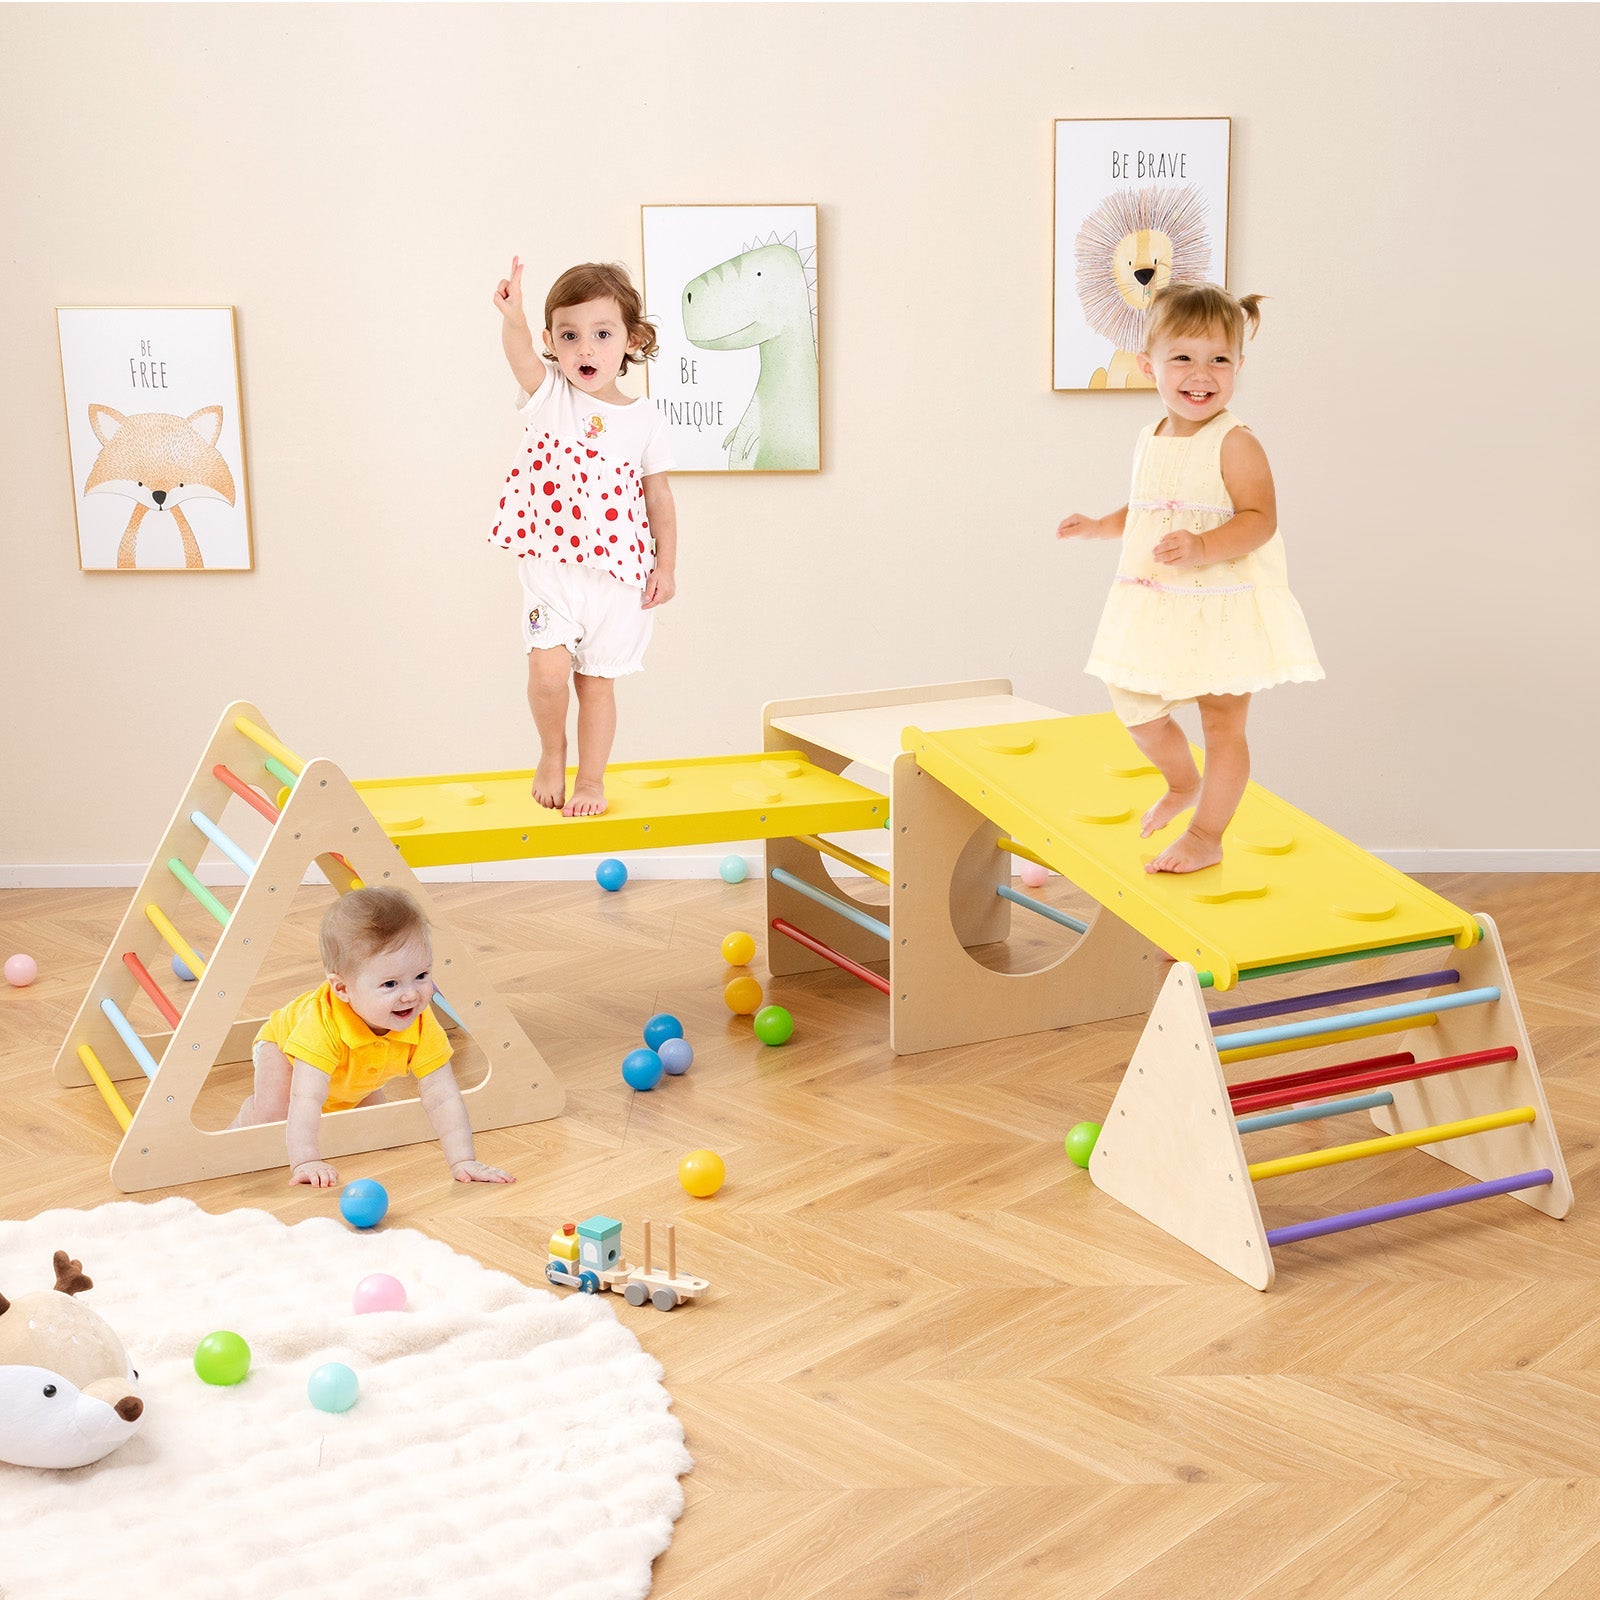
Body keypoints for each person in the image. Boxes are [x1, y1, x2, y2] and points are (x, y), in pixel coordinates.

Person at [1057, 282, 1322, 875]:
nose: (1201, 374)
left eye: (1218, 359)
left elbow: (1260, 519)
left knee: (1222, 723)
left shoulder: (1235, 442)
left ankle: (1206, 835)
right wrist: (1101, 526)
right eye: (1182, 357)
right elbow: (1148, 509)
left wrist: (1202, 546)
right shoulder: (1150, 438)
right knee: (1134, 702)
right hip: (1160, 602)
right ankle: (1182, 782)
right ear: (1148, 364)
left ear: (1238, 367)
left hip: (1223, 603)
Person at [490, 257, 678, 817]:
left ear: (632, 339)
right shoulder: (551, 398)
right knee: (547, 673)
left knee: (597, 685)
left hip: (617, 577)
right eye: (569, 337)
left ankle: (591, 782)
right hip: (553, 571)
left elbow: (659, 498)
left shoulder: (645, 420)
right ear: (552, 342)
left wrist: (666, 566)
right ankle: (553, 751)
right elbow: (519, 357)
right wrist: (514, 319)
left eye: (602, 334)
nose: (585, 350)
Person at [229, 887, 514, 1187]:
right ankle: (247, 1117)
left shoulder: (419, 1021)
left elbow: (442, 1095)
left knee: (372, 1125)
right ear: (342, 989)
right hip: (284, 1049)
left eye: (421, 976)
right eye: (390, 984)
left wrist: (463, 1160)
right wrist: (307, 1160)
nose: (411, 995)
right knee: (275, 1114)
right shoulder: (320, 1025)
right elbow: (307, 1096)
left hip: (355, 1066)